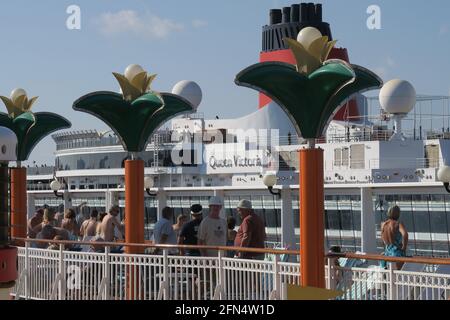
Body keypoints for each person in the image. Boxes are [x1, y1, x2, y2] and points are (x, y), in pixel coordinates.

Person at [381, 205, 409, 270]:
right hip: (396, 253)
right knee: (398, 277)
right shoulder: (398, 224)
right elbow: (405, 234)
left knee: (387, 277)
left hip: (386, 253)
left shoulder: (383, 224)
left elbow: (382, 238)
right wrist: (404, 248)